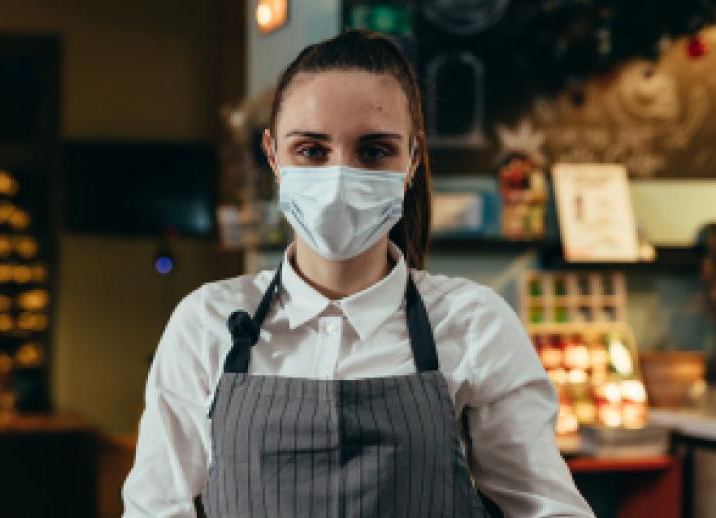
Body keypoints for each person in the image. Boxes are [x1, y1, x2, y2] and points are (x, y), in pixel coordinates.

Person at [122, 30, 594, 517]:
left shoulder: (474, 323)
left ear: (411, 161)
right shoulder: (207, 322)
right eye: (311, 150)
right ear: (273, 155)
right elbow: (156, 509)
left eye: (373, 151)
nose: (339, 175)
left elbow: (550, 510)